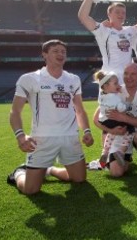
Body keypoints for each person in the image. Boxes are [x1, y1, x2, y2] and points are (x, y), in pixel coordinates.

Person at [7, 40, 94, 195]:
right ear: (44, 55)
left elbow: (79, 110)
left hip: (69, 137)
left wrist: (87, 131)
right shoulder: (30, 78)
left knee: (79, 179)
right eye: (55, 51)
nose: (60, 54)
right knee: (31, 190)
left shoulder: (73, 79)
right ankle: (19, 173)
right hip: (42, 139)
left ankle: (49, 169)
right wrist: (21, 137)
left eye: (63, 52)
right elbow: (15, 112)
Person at [91, 63, 137, 177]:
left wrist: (124, 117)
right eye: (126, 73)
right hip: (119, 134)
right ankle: (119, 157)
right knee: (116, 173)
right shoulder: (115, 90)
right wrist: (112, 130)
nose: (128, 77)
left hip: (136, 132)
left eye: (133, 74)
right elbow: (96, 120)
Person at [78, 0, 137, 83]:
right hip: (109, 79)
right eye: (117, 12)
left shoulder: (131, 30)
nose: (121, 15)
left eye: (123, 12)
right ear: (109, 13)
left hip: (128, 79)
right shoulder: (103, 30)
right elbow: (83, 17)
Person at [93, 70, 133, 169]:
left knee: (111, 134)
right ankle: (121, 151)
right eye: (115, 83)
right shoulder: (114, 97)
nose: (118, 85)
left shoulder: (102, 96)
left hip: (106, 121)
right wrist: (127, 103)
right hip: (115, 120)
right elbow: (121, 108)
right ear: (106, 86)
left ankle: (105, 152)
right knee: (130, 131)